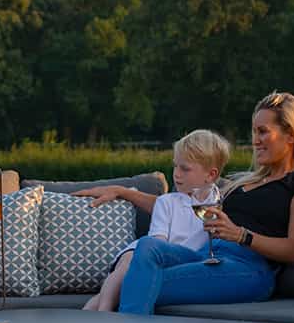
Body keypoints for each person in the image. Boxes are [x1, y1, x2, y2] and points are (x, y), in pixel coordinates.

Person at [79, 92, 294, 316]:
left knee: (136, 282)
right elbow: (180, 206)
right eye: (254, 132)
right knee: (148, 246)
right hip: (206, 256)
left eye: (263, 131)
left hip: (248, 268)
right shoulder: (246, 181)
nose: (255, 140)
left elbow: (292, 250)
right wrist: (124, 192)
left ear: (291, 135)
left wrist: (241, 235)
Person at [82, 128, 230, 312]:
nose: (176, 174)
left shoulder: (223, 202)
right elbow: (156, 244)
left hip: (188, 260)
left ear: (211, 175)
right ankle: (103, 312)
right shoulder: (166, 202)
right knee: (127, 264)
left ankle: (98, 314)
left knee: (127, 284)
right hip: (154, 255)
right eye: (175, 166)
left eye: (185, 168)